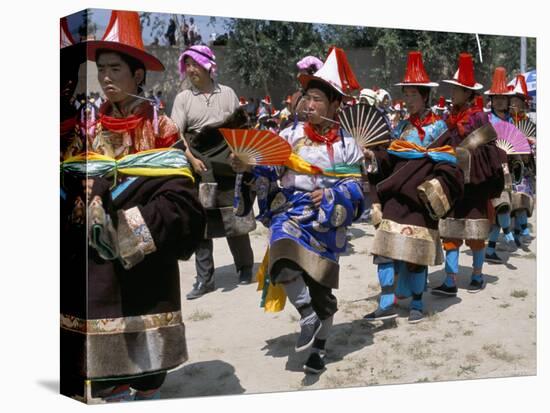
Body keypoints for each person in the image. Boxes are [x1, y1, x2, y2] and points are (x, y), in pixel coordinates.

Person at [60, 11, 206, 402]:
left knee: (146, 371)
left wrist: (129, 225)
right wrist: (85, 199)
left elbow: (182, 199)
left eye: (115, 69)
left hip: (146, 256)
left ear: (137, 75)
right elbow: (71, 177)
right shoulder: (87, 130)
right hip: (98, 262)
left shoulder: (162, 129)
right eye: (101, 69)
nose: (106, 78)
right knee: (104, 370)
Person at [232, 47, 364, 374]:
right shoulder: (290, 134)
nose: (310, 104)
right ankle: (304, 312)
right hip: (291, 213)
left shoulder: (348, 144)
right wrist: (247, 164)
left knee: (324, 295)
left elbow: (357, 190)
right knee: (280, 253)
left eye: (318, 98)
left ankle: (319, 347)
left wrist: (332, 197)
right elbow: (267, 165)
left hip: (326, 224)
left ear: (335, 104)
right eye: (307, 97)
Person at [362, 51, 463, 324]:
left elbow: (450, 165)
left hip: (421, 201)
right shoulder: (402, 127)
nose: (407, 100)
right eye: (405, 95)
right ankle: (387, 299)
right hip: (396, 198)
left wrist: (435, 185)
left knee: (415, 256)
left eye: (412, 95)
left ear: (425, 96)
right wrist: (373, 156)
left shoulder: (440, 128)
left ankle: (417, 302)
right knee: (383, 250)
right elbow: (391, 158)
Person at [171, 45, 255, 299]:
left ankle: (245, 267)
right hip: (199, 164)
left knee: (235, 215)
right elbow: (176, 134)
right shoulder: (183, 98)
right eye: (187, 65)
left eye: (195, 64)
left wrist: (237, 155)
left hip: (227, 163)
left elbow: (240, 128)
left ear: (207, 65)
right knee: (201, 223)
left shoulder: (227, 93)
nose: (191, 70)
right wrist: (192, 160)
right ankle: (204, 279)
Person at [431, 53, 506, 297]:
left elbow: (488, 151)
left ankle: (477, 275)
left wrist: (466, 156)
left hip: (475, 185)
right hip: (454, 184)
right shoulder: (449, 117)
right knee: (451, 232)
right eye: (452, 89)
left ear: (468, 93)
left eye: (457, 89)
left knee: (474, 234)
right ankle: (450, 280)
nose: (453, 93)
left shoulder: (479, 117)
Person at [483, 67, 516, 264]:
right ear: (492, 100)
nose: (500, 101)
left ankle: (490, 250)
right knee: (501, 204)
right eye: (496, 98)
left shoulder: (512, 120)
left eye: (503, 98)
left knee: (498, 211)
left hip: (508, 169)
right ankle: (509, 232)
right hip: (491, 169)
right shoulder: (487, 119)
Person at [508, 74, 535, 246]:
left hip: (524, 168)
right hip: (510, 166)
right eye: (511, 101)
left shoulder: (530, 123)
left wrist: (528, 148)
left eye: (516, 101)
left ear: (524, 104)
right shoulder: (507, 122)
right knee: (512, 201)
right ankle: (514, 231)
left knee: (523, 199)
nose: (513, 104)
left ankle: (521, 230)